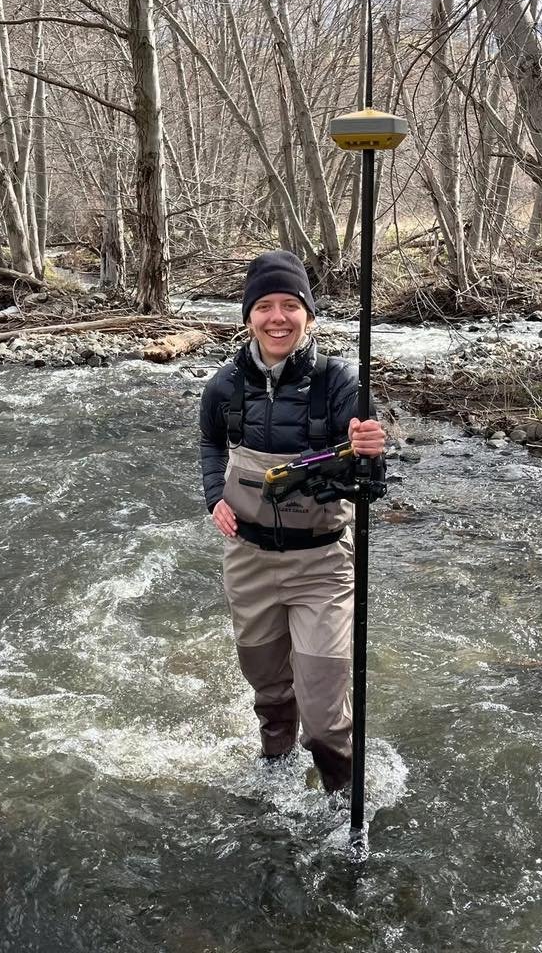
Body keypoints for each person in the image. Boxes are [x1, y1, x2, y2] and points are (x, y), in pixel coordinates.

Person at [199, 250, 385, 794]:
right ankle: (276, 771)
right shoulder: (224, 387)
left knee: (326, 711)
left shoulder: (340, 384)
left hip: (322, 563)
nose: (277, 317)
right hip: (248, 559)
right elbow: (212, 444)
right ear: (247, 316)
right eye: (264, 306)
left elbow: (371, 482)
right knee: (270, 691)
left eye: (289, 305)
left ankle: (341, 801)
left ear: (308, 314)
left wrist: (371, 452)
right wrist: (214, 498)